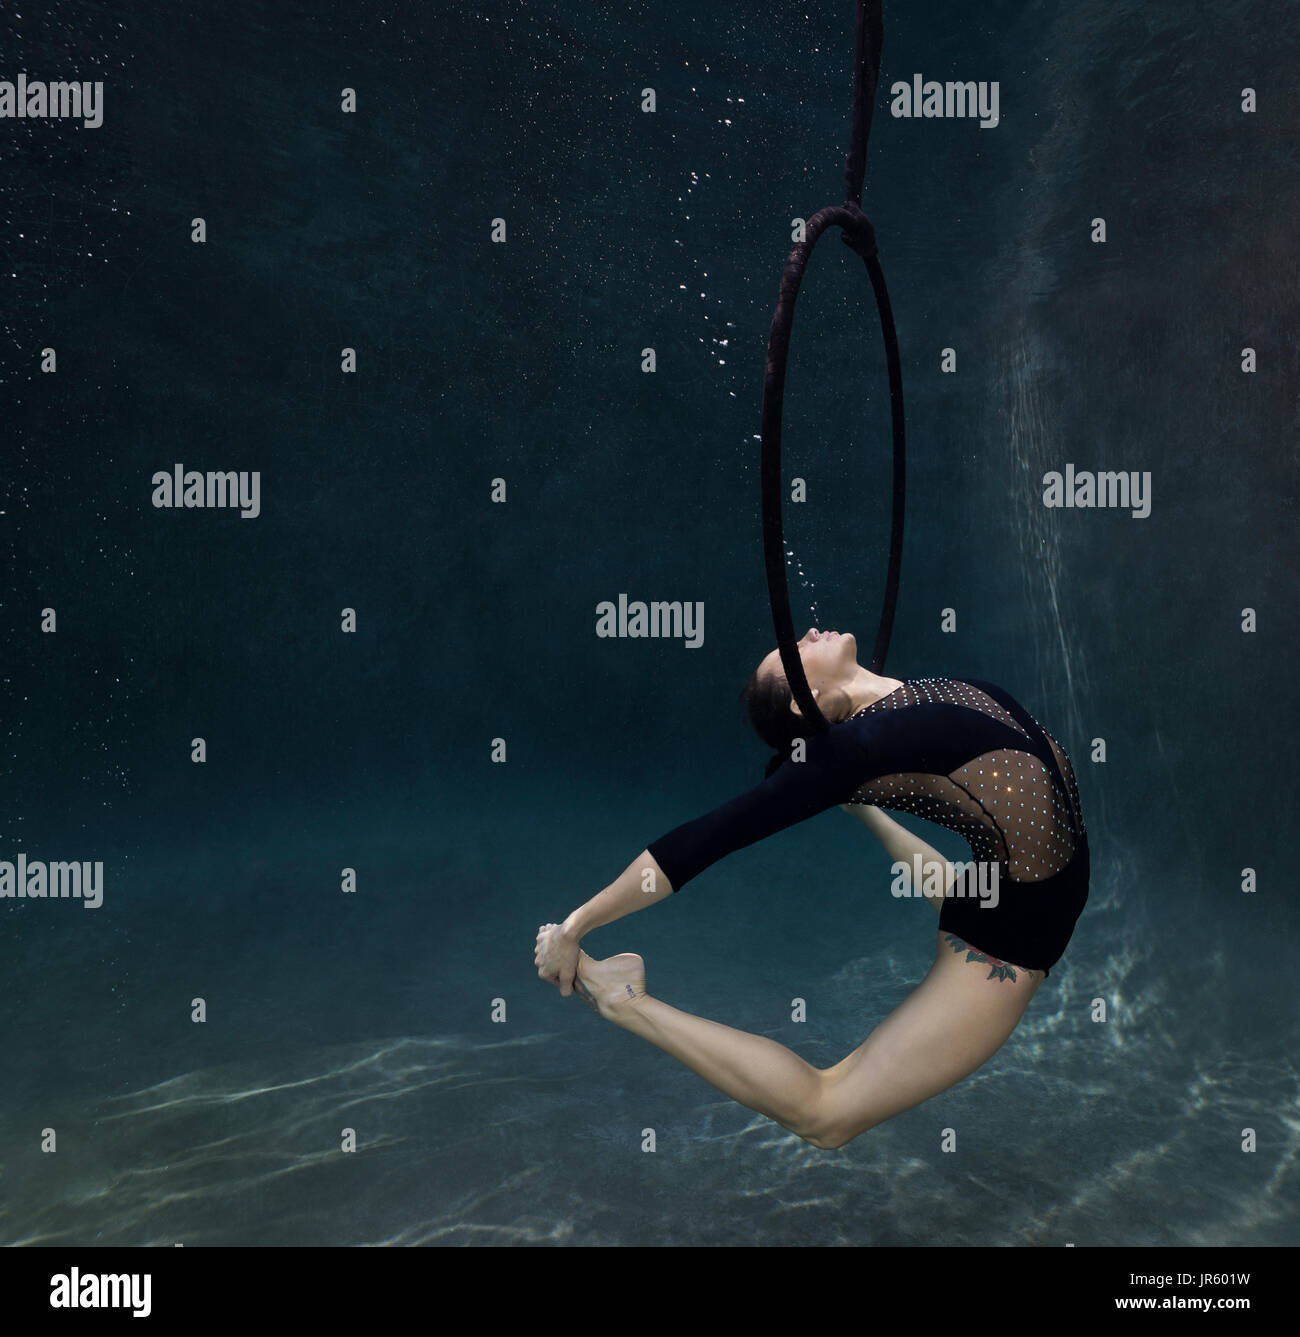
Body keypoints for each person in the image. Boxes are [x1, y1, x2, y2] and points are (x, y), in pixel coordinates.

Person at [534, 627, 1089, 1151]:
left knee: (971, 875)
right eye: (793, 650)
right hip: (1007, 948)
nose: (807, 633)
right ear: (806, 698)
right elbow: (700, 841)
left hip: (998, 889)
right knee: (826, 1115)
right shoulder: (849, 752)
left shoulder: (899, 702)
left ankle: (864, 814)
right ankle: (623, 999)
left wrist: (852, 796)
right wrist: (574, 927)